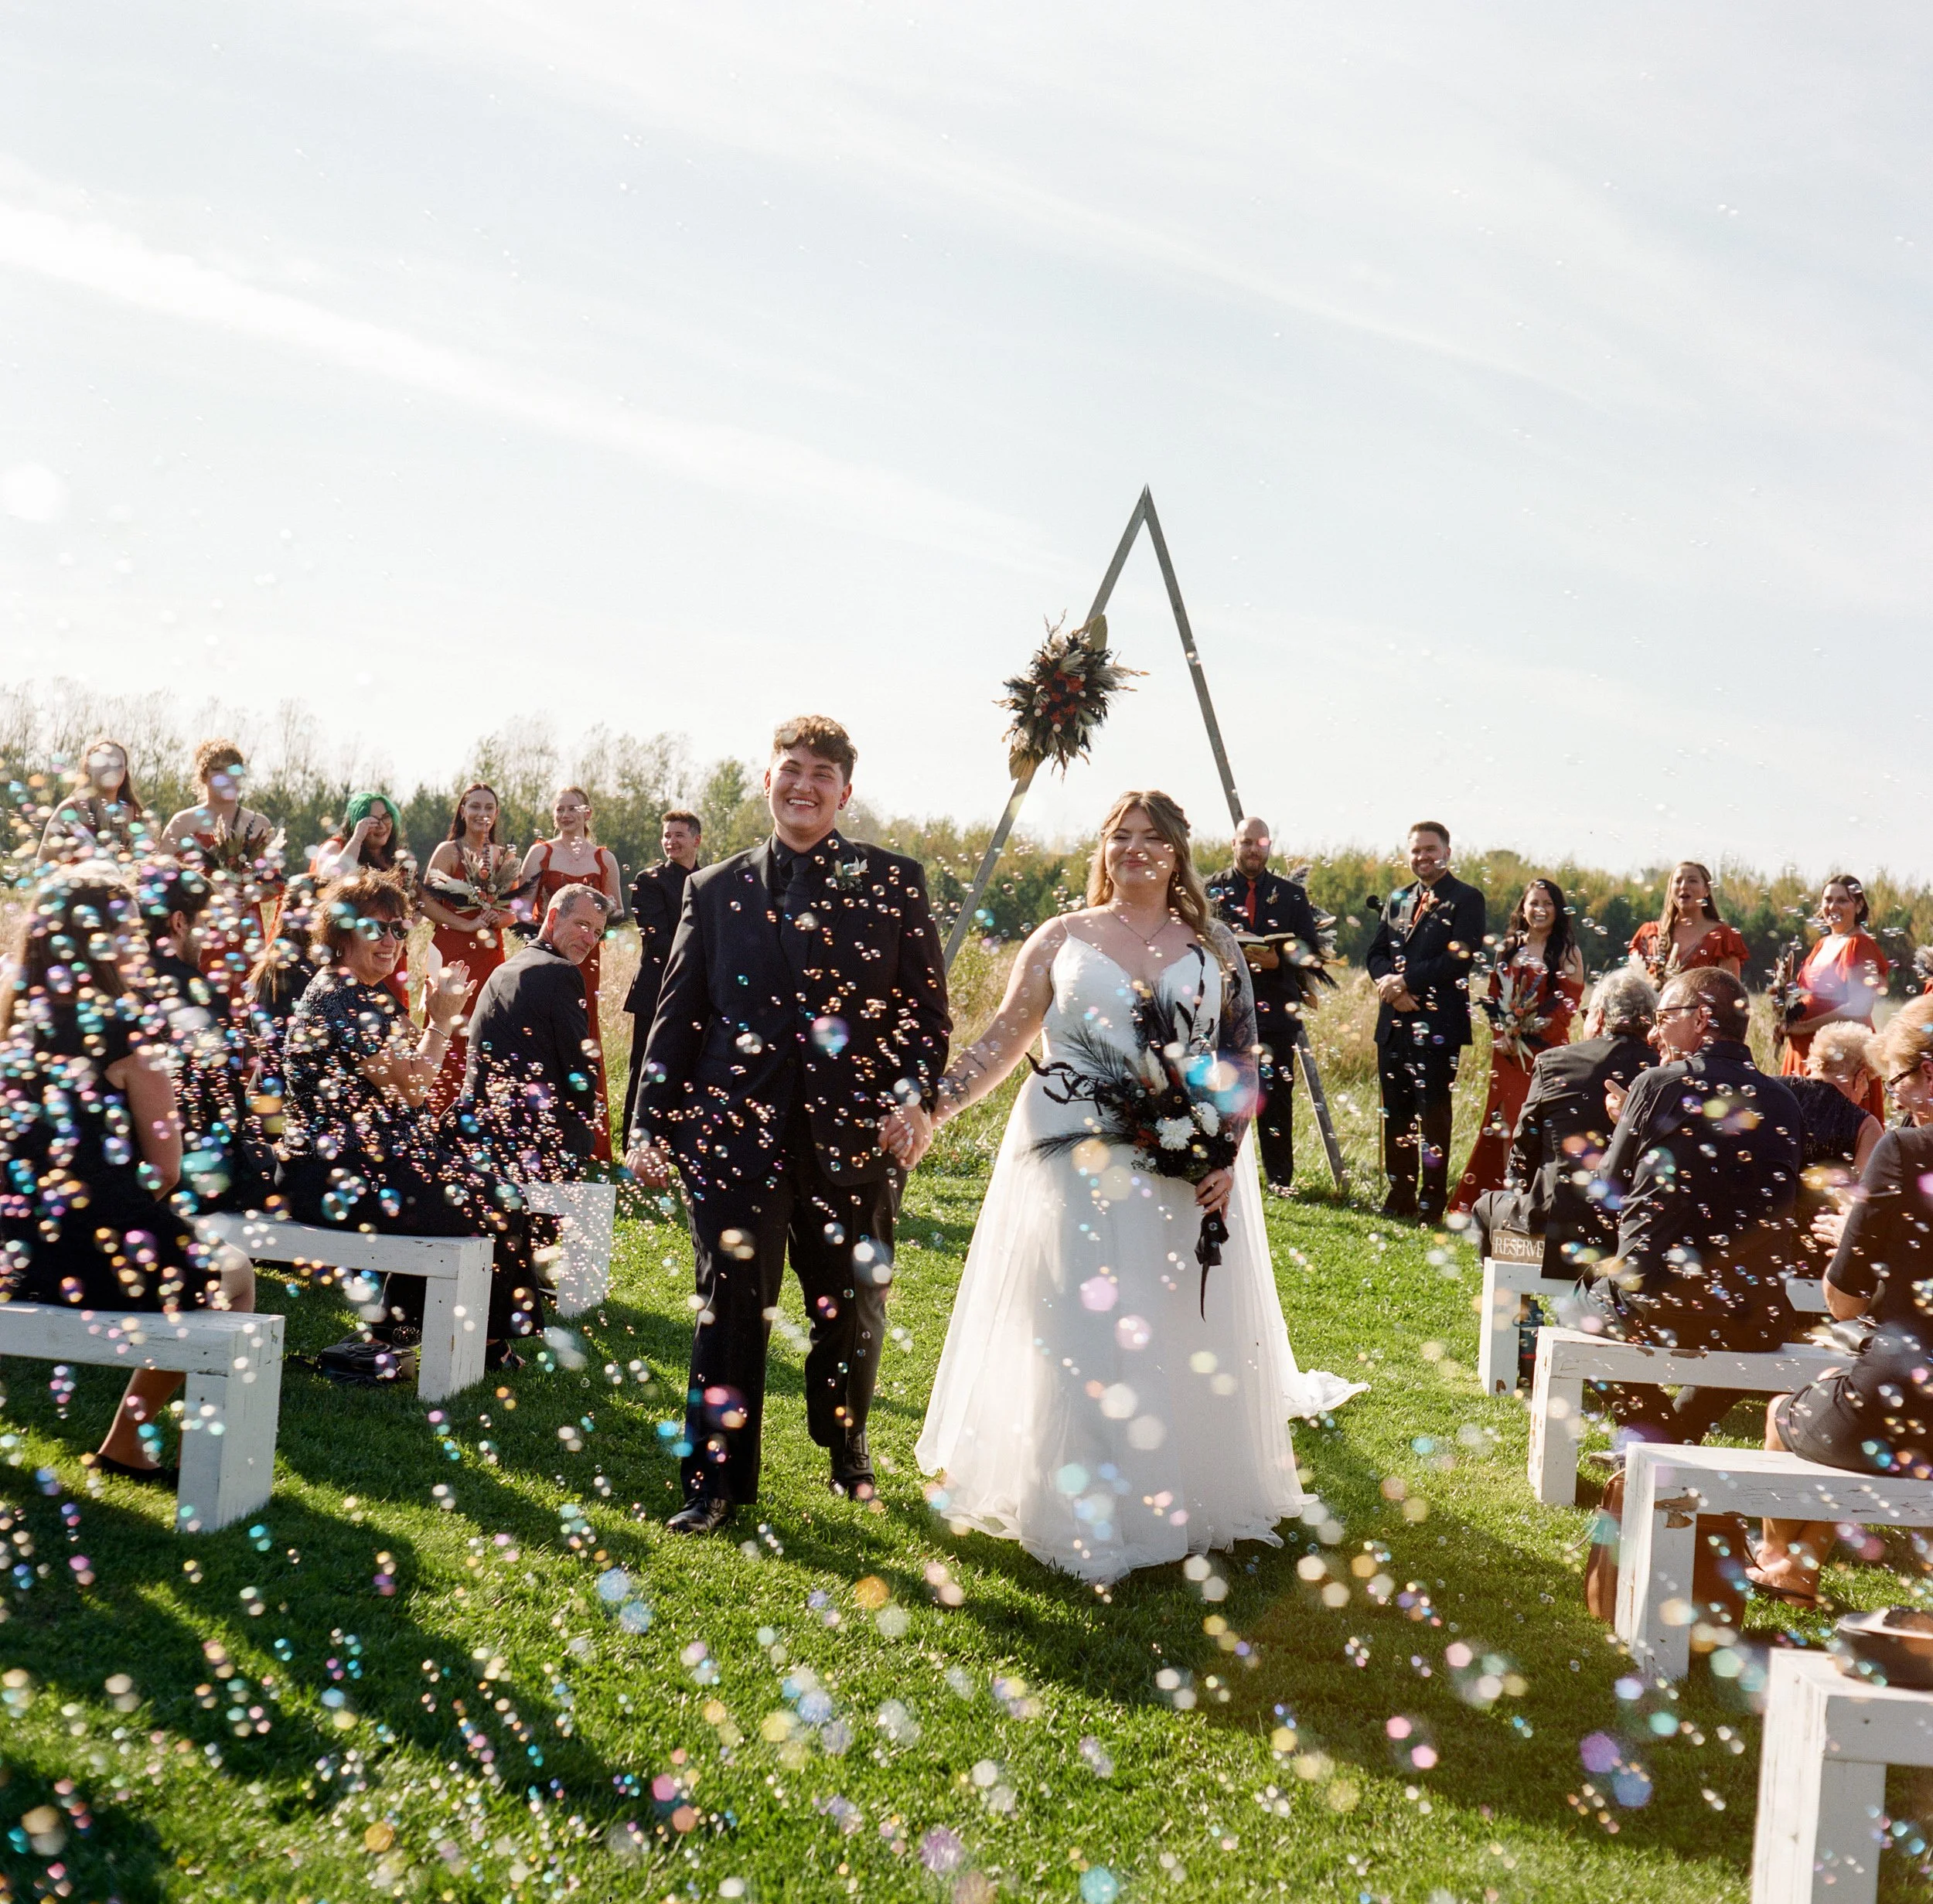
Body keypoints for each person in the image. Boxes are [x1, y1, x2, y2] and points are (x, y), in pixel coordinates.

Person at [914, 790, 1362, 1584]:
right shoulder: (1062, 937)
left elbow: (1241, 1061)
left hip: (1173, 1162)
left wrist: (1222, 1154)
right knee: (1079, 1326)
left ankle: (1168, 1494)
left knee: (1161, 1329)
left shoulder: (1213, 945)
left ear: (1178, 853)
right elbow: (1001, 1038)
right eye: (1119, 837)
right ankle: (1077, 1503)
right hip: (1070, 1157)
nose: (1133, 850)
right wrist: (933, 1107)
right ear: (1101, 849)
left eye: (1151, 839)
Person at [626, 717, 949, 1531]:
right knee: (727, 1307)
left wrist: (911, 1097)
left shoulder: (895, 882)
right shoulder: (714, 889)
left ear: (845, 788)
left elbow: (923, 1016)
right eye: (790, 770)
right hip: (732, 1138)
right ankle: (713, 1485)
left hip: (853, 1139)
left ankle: (844, 1442)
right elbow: (677, 1017)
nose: (803, 785)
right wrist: (647, 1125)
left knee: (849, 1306)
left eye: (821, 773)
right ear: (765, 779)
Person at [0, 864, 256, 1483]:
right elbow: (165, 1170)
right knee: (238, 1274)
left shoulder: (12, 1019)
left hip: (18, 1241)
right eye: (128, 927)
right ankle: (128, 1439)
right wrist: (112, 1205)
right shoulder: (130, 1030)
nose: (138, 940)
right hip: (94, 1247)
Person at [276, 870, 540, 1364]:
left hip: (369, 1163)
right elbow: (415, 1088)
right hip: (330, 1174)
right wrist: (440, 1020)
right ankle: (472, 1343)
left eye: (400, 930)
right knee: (490, 1201)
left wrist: (429, 1021)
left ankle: (404, 1335)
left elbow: (408, 1085)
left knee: (487, 1191)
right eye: (376, 928)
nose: (391, 941)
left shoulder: (367, 996)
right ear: (340, 931)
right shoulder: (340, 998)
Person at [1748, 997, 1933, 1604]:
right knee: (1838, 1386)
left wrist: (1854, 1234)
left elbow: (1843, 1305)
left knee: (1784, 1411)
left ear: (1927, 1070)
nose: (1898, 1098)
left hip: (1905, 1392)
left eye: (1901, 1082)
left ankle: (1782, 1563)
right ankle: (1796, 1567)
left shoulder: (1905, 1151)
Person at [1584, 967, 1804, 1446]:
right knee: (1736, 1330)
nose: (1654, 1030)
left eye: (1664, 1016)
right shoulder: (1785, 1100)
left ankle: (1660, 1436)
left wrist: (1627, 1122)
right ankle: (1682, 1432)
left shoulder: (1657, 1085)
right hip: (1755, 1311)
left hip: (1656, 1297)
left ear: (1702, 1018)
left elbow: (1608, 1189)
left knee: (1574, 1308)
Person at [1470, 968, 1657, 1276]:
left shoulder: (1555, 1062)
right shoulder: (1663, 1072)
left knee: (1485, 1207)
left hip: (1558, 1228)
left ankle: (1519, 1308)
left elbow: (1524, 1149)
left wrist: (1519, 1191)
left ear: (1597, 1017)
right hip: (1631, 1234)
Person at [135, 861, 276, 1218]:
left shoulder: (120, 983)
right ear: (180, 922)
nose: (211, 937)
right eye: (206, 924)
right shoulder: (200, 996)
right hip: (188, 1169)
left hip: (132, 1162)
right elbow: (224, 1106)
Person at [1364, 822, 1487, 1223]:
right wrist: (1391, 987)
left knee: (1433, 1114)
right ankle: (1399, 1191)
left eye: (1431, 850)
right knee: (1396, 1111)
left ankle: (1431, 1199)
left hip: (1439, 1024)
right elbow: (1376, 952)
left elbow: (1460, 957)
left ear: (1448, 852)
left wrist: (1408, 981)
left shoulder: (1467, 899)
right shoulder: (1398, 898)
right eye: (1416, 850)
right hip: (1394, 1022)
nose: (1423, 857)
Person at [1204, 816, 1333, 1195]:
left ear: (1269, 846)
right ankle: (1221, 1169)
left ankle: (1279, 1180)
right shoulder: (1211, 890)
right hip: (1226, 1011)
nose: (1253, 850)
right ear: (1233, 844)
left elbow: (1312, 952)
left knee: (1277, 1098)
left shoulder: (1291, 895)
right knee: (1223, 1093)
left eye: (1260, 844)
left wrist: (1280, 961)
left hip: (1276, 1012)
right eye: (1246, 843)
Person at [455, 884, 611, 1182]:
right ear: (552, 918)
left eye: (598, 932)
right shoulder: (561, 973)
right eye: (582, 925)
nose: (591, 939)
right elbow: (579, 1066)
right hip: (531, 1141)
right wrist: (587, 1107)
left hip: (480, 1129)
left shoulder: (506, 969)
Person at [1451, 878, 1587, 1211]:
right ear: (1522, 908)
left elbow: (1567, 1003)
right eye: (1534, 903)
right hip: (1508, 1055)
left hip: (1546, 1052)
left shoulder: (1567, 952)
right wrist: (1503, 1033)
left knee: (1534, 1125)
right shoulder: (1509, 947)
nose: (1540, 910)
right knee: (1503, 1124)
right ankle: (1498, 1200)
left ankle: (1532, 1201)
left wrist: (1528, 1034)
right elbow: (1495, 995)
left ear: (1558, 911)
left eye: (1548, 904)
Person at [517, 789, 622, 1163]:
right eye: (558, 808)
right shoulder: (540, 853)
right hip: (546, 952)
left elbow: (616, 910)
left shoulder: (603, 857)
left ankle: (591, 1141)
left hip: (587, 958)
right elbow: (522, 908)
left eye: (572, 808)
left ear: (587, 813)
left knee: (584, 1032)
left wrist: (588, 935)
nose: (564, 814)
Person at [421, 784, 521, 1115]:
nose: (482, 814)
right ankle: (436, 1109)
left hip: (490, 950)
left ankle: (477, 1111)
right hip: (453, 947)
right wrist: (465, 924)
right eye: (475, 807)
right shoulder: (448, 851)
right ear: (463, 811)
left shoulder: (505, 857)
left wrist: (498, 917)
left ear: (497, 813)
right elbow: (424, 901)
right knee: (447, 1018)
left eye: (489, 808)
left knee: (486, 1023)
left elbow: (517, 910)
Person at [159, 740, 284, 999]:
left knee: (244, 1004)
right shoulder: (183, 823)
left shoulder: (259, 824)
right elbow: (157, 878)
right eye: (218, 770)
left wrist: (252, 893)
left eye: (234, 770)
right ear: (204, 776)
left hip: (245, 932)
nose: (227, 777)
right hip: (199, 929)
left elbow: (277, 882)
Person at [620, 809, 703, 1144]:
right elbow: (657, 939)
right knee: (644, 1067)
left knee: (691, 1069)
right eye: (667, 835)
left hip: (698, 991)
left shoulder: (710, 879)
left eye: (679, 835)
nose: (671, 841)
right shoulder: (649, 881)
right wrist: (703, 958)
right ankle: (633, 1142)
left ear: (696, 840)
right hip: (657, 989)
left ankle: (678, 1142)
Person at [1777, 875, 1890, 1117]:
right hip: (1806, 1051)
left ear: (1858, 906)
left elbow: (1859, 1008)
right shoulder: (1822, 943)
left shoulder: (1858, 944)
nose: (1832, 906)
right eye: (1827, 899)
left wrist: (1806, 1026)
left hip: (1840, 1057)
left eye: (1842, 900)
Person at [1626, 860, 1747, 985]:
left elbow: (1731, 994)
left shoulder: (1723, 937)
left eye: (1692, 880)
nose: (1684, 886)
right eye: (1678, 881)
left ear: (1706, 890)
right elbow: (1634, 988)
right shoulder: (1649, 933)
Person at [36, 736, 152, 866]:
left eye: (118, 765)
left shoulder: (137, 815)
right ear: (88, 767)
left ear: (125, 771)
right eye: (104, 763)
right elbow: (42, 867)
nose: (111, 770)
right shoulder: (70, 811)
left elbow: (146, 869)